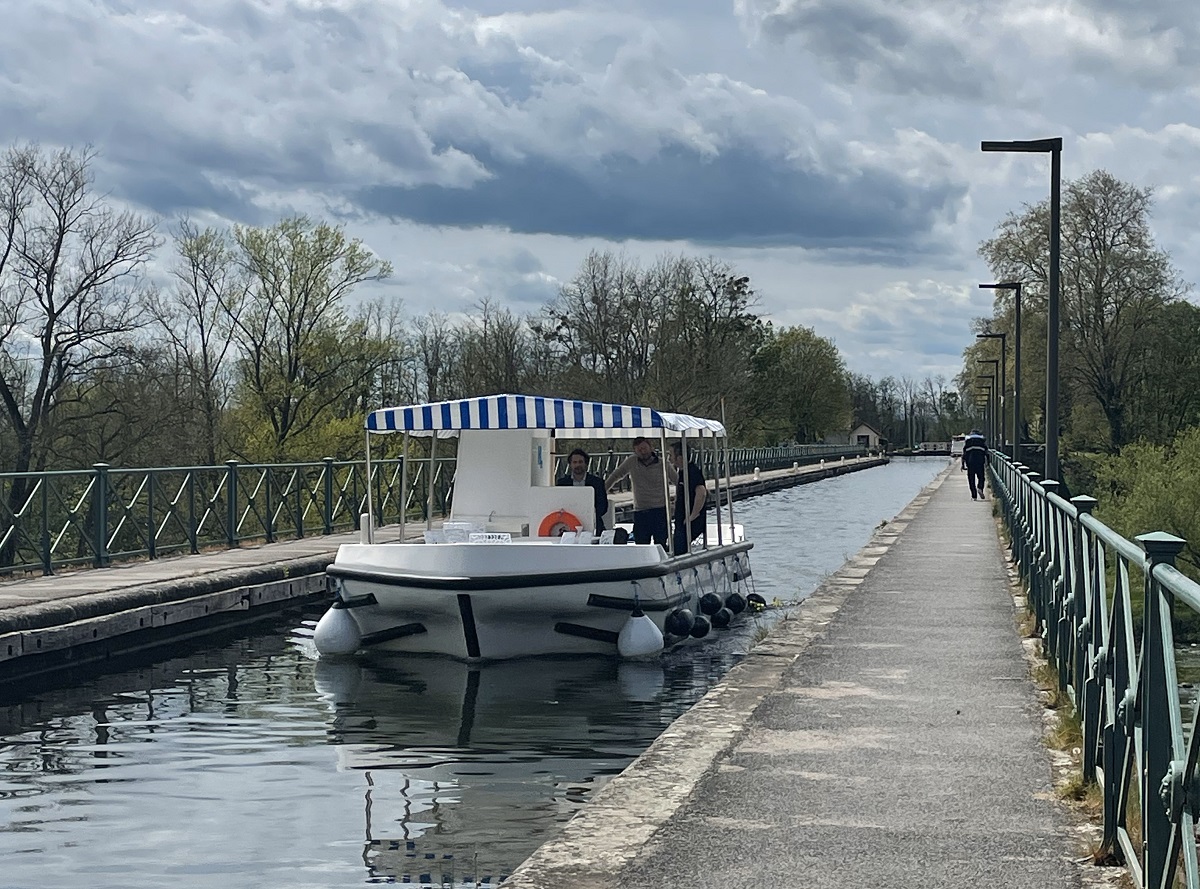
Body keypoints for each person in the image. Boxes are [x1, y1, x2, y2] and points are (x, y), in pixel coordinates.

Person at [606, 436, 676, 546]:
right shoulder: (632, 461)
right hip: (640, 511)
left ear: (651, 447)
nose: (642, 452)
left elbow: (677, 481)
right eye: (639, 450)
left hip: (660, 510)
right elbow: (616, 475)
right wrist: (602, 490)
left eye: (644, 448)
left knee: (661, 543)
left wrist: (678, 500)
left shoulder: (663, 464)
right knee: (641, 544)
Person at [555, 447, 609, 533]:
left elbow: (603, 507)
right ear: (570, 464)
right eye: (575, 462)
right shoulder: (562, 483)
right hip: (567, 525)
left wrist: (589, 514)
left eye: (580, 462)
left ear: (586, 464)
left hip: (594, 524)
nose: (577, 465)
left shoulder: (598, 483)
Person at [669, 441, 707, 555]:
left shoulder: (692, 472)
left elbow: (701, 492)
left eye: (671, 455)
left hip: (690, 520)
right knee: (677, 545)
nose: (669, 458)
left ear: (679, 457)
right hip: (682, 518)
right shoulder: (681, 472)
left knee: (680, 546)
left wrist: (693, 515)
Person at [962, 428, 988, 500]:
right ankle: (980, 488)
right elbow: (986, 453)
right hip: (980, 462)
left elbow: (964, 454)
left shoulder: (968, 442)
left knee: (971, 479)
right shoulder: (981, 442)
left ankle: (974, 496)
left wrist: (963, 464)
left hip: (970, 463)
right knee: (981, 477)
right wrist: (988, 462)